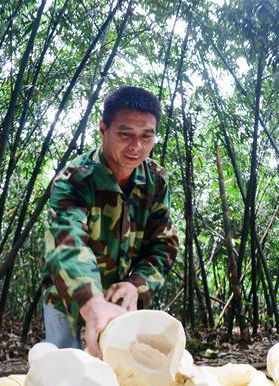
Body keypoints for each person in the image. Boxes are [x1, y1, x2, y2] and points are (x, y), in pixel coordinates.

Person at [42, 85, 179, 357]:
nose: (136, 146)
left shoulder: (156, 182)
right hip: (70, 293)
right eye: (125, 134)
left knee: (122, 376)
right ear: (103, 129)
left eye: (146, 136)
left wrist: (136, 284)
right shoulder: (75, 179)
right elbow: (67, 244)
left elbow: (164, 244)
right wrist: (91, 303)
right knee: (62, 375)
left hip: (122, 296)